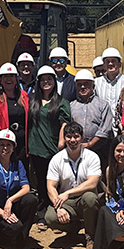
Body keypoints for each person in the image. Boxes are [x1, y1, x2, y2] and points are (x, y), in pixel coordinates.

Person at [44, 123, 103, 249]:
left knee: (90, 198)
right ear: (64, 138)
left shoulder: (92, 156)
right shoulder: (57, 159)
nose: (72, 140)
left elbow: (92, 183)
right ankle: (73, 230)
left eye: (76, 137)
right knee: (50, 217)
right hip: (67, 202)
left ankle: (90, 238)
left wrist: (67, 193)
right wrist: (58, 208)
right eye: (69, 137)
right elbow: (50, 186)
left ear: (82, 138)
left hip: (86, 200)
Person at [0, 130, 39, 249]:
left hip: (12, 205)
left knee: (31, 199)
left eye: (9, 145)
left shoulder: (18, 164)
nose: (5, 148)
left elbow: (26, 188)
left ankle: (22, 238)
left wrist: (10, 200)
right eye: (2, 145)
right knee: (14, 227)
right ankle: (5, 234)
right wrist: (2, 213)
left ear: (14, 147)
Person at [28, 65, 72, 213]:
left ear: (54, 81)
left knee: (54, 181)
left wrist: (61, 141)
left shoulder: (61, 102)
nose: (46, 82)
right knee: (40, 181)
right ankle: (41, 213)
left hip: (52, 147)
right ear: (38, 82)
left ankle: (57, 210)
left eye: (49, 79)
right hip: (36, 147)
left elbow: (64, 123)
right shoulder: (33, 101)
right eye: (43, 80)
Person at [70, 69, 113, 172]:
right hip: (77, 151)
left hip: (99, 150)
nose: (83, 87)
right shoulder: (71, 106)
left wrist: (91, 144)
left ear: (93, 86)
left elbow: (105, 128)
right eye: (79, 85)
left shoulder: (103, 105)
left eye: (86, 84)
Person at [0, 62, 31, 163]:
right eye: (5, 77)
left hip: (23, 146)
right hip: (6, 146)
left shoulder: (24, 96)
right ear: (1, 80)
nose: (9, 79)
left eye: (11, 76)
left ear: (16, 79)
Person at [94, 47, 124, 112]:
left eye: (113, 61)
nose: (110, 64)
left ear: (120, 64)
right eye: (107, 61)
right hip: (103, 121)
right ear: (103, 65)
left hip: (122, 121)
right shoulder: (96, 83)